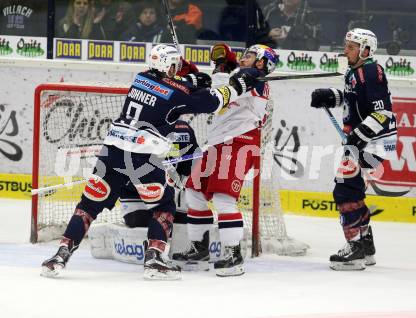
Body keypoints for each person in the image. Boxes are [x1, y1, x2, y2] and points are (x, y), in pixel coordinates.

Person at [40, 44, 260, 280]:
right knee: (164, 209)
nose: (176, 69)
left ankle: (59, 257)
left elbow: (175, 87)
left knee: (88, 207)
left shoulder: (141, 78)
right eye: (174, 66)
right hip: (143, 159)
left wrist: (195, 80)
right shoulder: (176, 92)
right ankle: (154, 260)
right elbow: (213, 102)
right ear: (168, 65)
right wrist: (241, 84)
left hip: (111, 154)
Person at [173, 43, 279, 277]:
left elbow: (225, 86)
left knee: (223, 198)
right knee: (194, 191)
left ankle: (234, 254)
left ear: (261, 63)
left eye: (249, 56)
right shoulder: (239, 77)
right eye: (242, 55)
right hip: (218, 143)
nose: (243, 59)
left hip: (241, 142)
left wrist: (223, 71)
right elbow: (215, 90)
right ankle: (199, 248)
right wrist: (186, 69)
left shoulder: (257, 82)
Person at [310, 28, 397, 271]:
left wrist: (359, 136)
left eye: (351, 47)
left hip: (373, 141)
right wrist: (331, 96)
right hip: (366, 139)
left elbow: (382, 112)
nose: (345, 50)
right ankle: (366, 245)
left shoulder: (370, 71)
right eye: (346, 45)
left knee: (345, 191)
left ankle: (356, 248)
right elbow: (355, 100)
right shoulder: (357, 70)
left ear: (366, 50)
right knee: (353, 190)